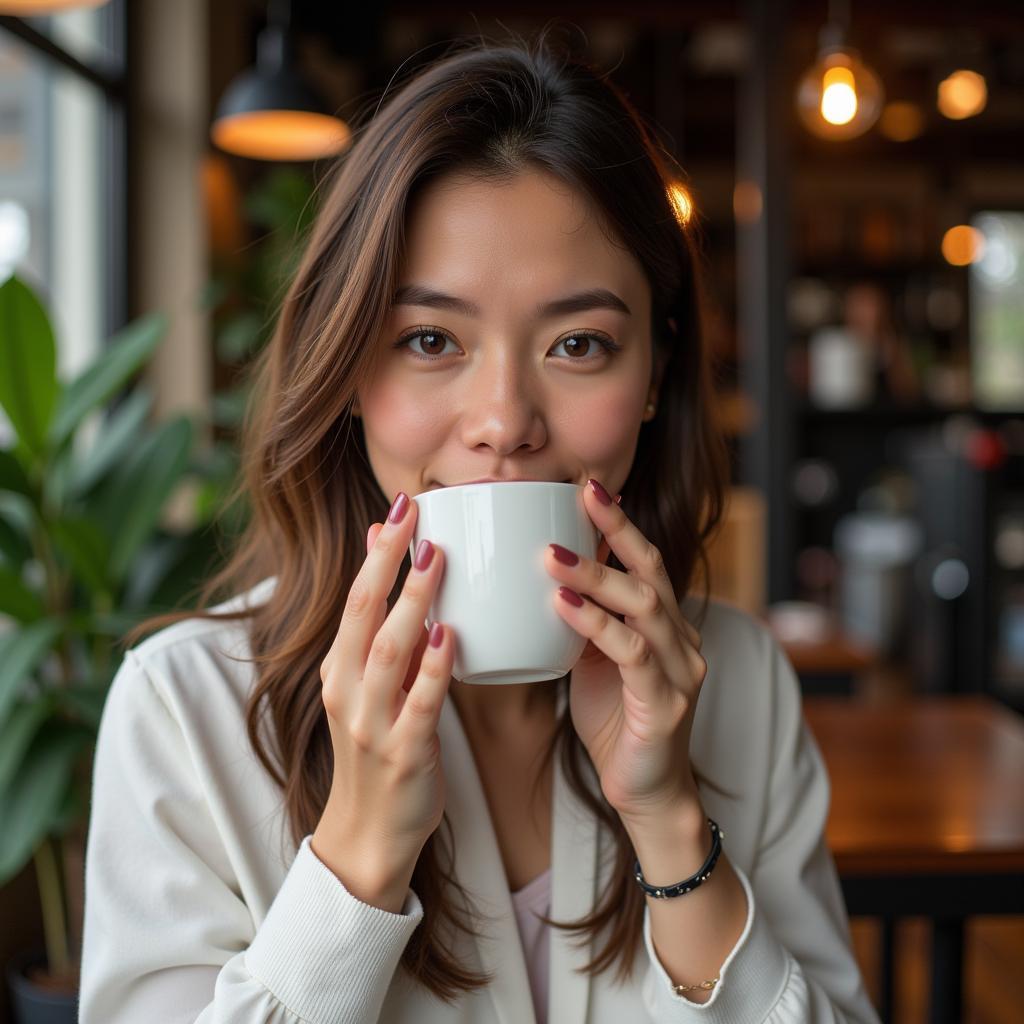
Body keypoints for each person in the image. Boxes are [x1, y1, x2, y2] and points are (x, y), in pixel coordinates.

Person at [79, 31, 880, 1024]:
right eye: (427, 339)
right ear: (348, 376)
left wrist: (670, 822)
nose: (504, 420)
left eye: (579, 343)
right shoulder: (186, 712)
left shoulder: (738, 682)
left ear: (653, 378)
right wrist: (360, 853)